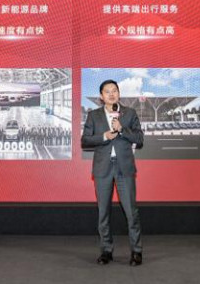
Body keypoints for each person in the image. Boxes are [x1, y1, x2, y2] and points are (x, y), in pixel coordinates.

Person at [81, 79, 143, 266]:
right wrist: (104, 136)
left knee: (131, 212)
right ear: (101, 96)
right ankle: (106, 251)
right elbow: (85, 141)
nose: (111, 94)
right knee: (103, 213)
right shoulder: (93, 115)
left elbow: (139, 139)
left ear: (119, 93)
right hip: (103, 168)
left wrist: (122, 129)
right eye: (107, 91)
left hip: (124, 168)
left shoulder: (129, 113)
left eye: (114, 90)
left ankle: (136, 251)